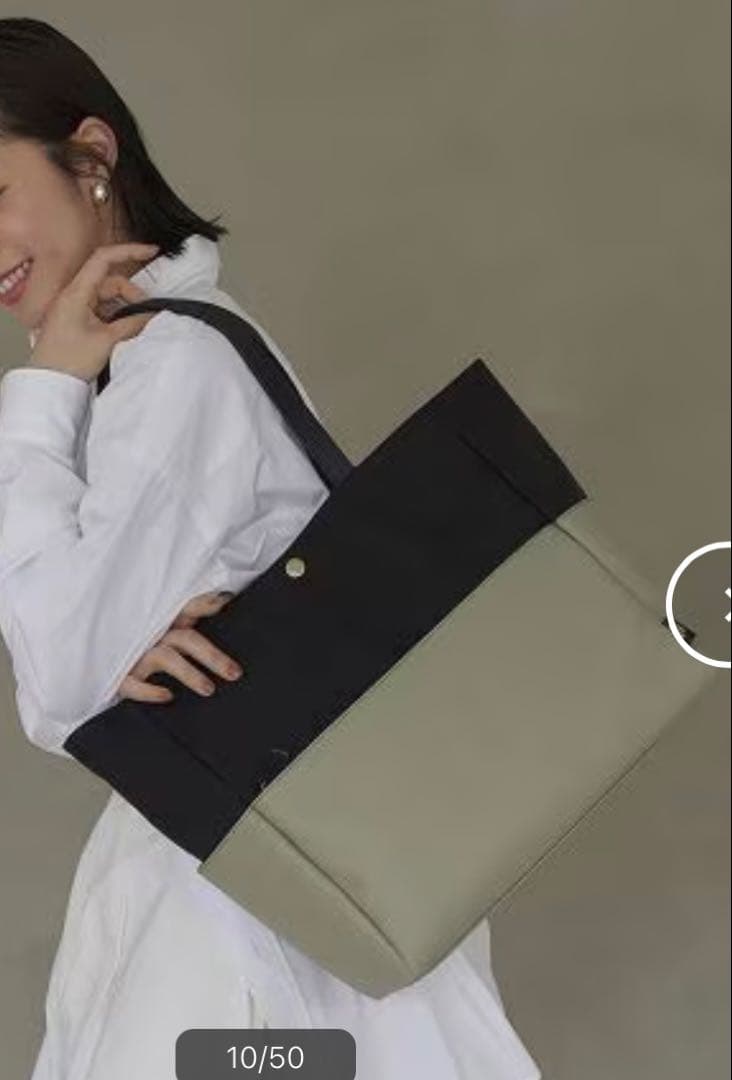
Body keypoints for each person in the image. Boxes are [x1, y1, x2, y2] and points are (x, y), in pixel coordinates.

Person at [0, 18, 542, 1080]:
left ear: (92, 156)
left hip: (249, 905)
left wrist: (40, 394)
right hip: (274, 866)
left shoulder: (174, 366)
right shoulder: (156, 360)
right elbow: (77, 673)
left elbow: (59, 683)